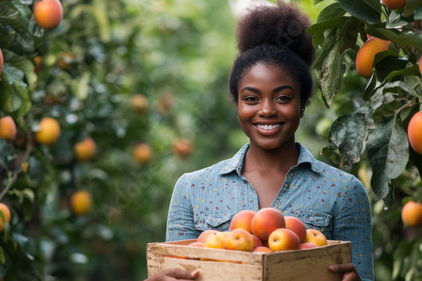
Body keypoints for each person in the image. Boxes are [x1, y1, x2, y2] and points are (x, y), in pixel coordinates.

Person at [146, 2, 374, 281]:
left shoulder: (344, 191)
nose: (266, 110)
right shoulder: (192, 189)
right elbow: (178, 270)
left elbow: (362, 275)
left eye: (283, 98)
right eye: (251, 98)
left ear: (302, 104)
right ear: (238, 105)